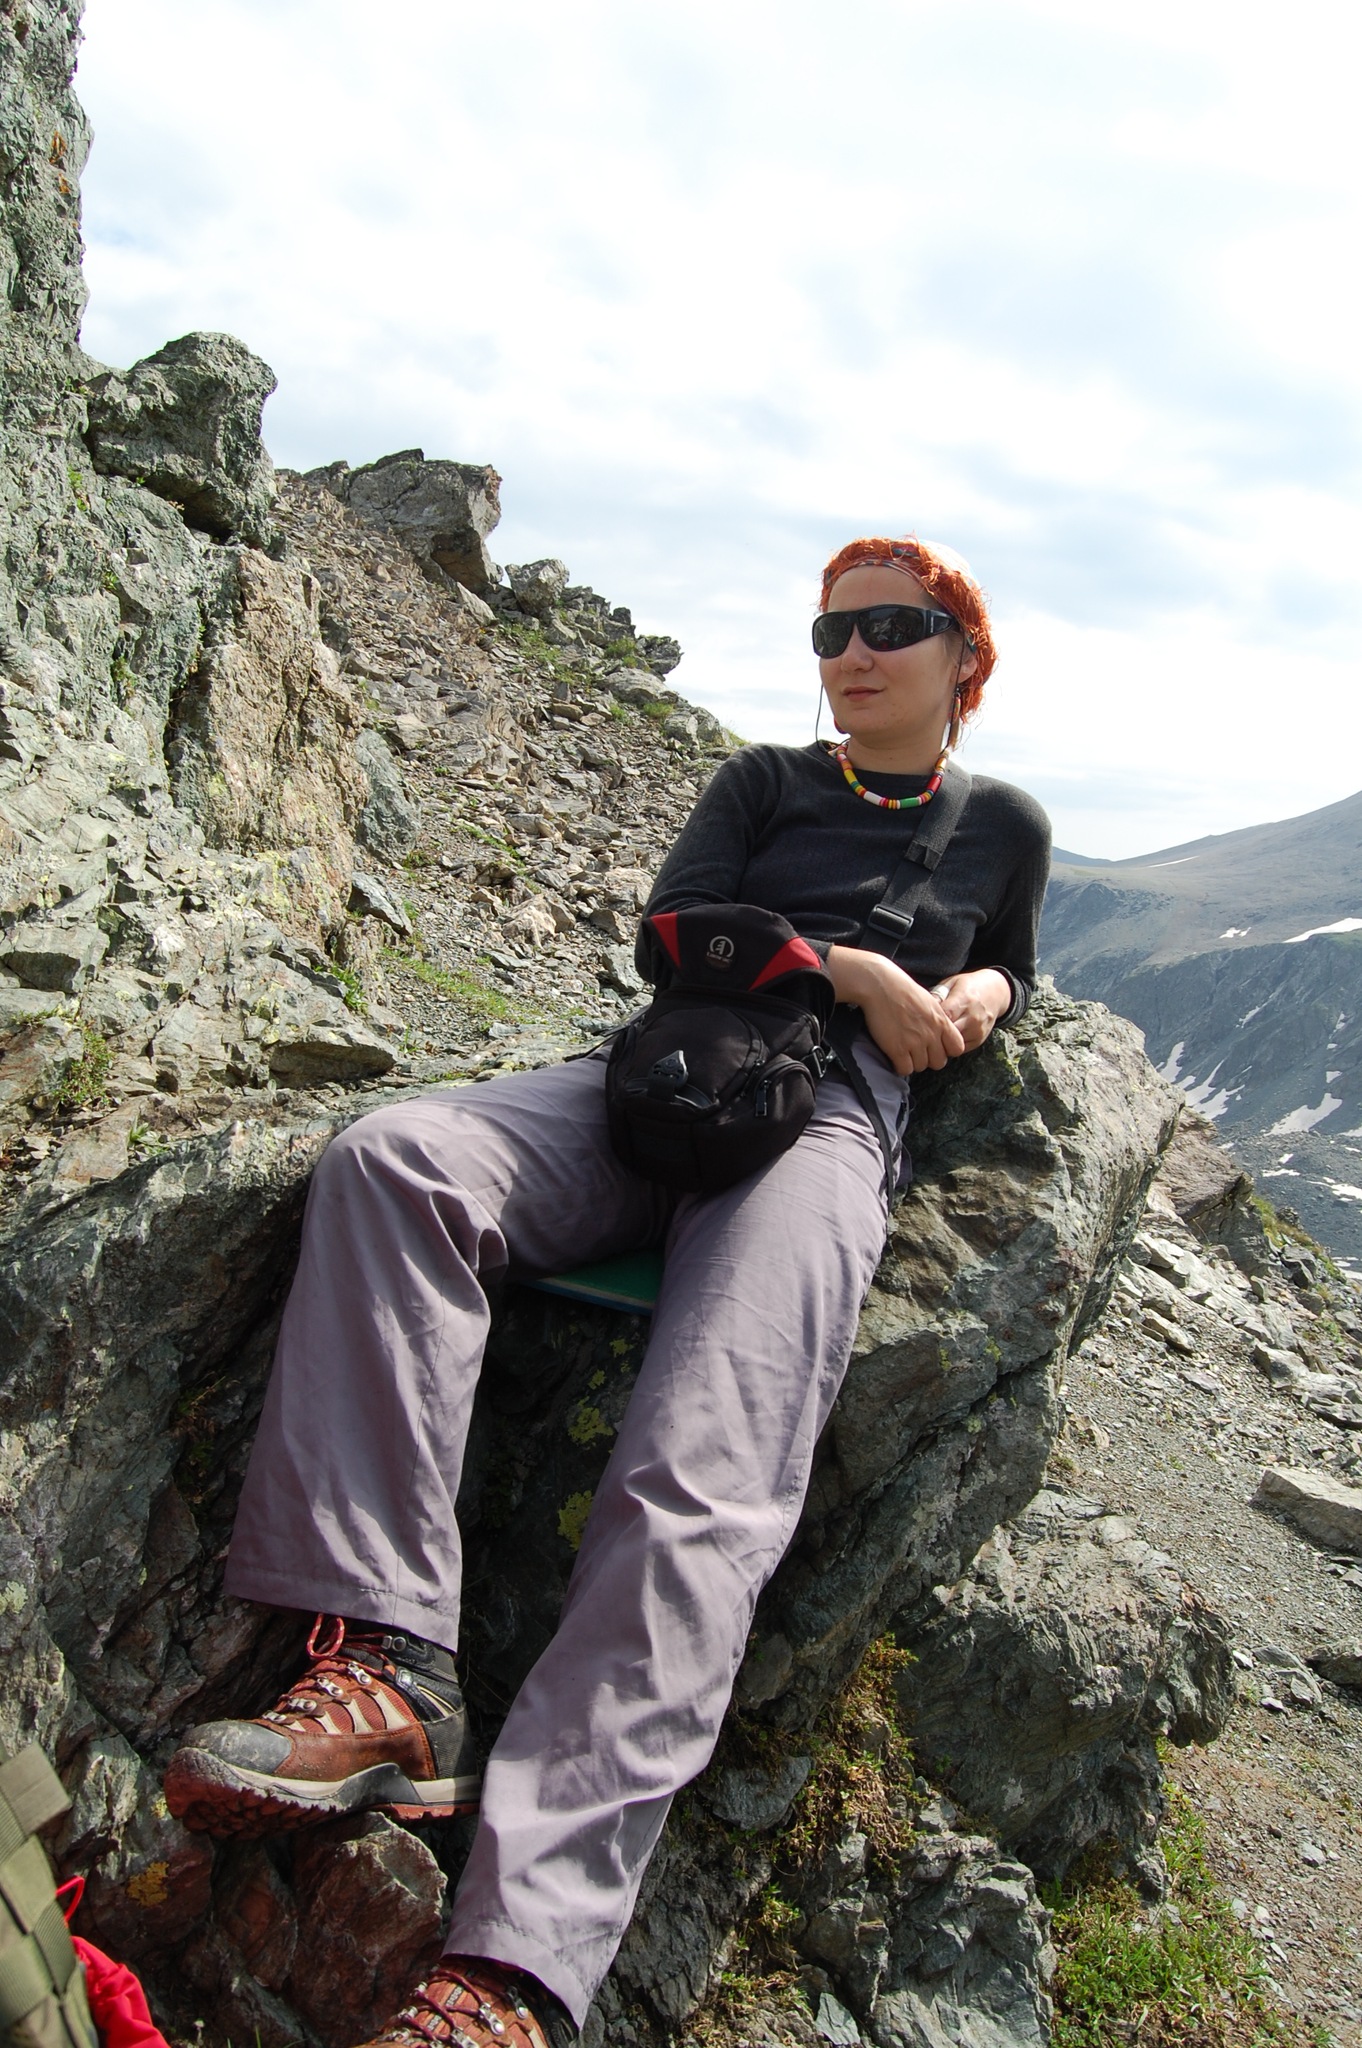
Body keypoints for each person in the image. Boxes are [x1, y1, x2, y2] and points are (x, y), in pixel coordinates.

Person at [163, 536, 1050, 2048]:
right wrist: (847, 969)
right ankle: (387, 1668)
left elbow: (1015, 963)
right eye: (830, 630)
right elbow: (669, 933)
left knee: (704, 1458)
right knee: (394, 1163)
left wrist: (980, 991)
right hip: (660, 1075)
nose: (850, 652)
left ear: (963, 655)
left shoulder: (1003, 825)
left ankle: (516, 1968)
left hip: (826, 1128)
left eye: (890, 626)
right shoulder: (765, 781)